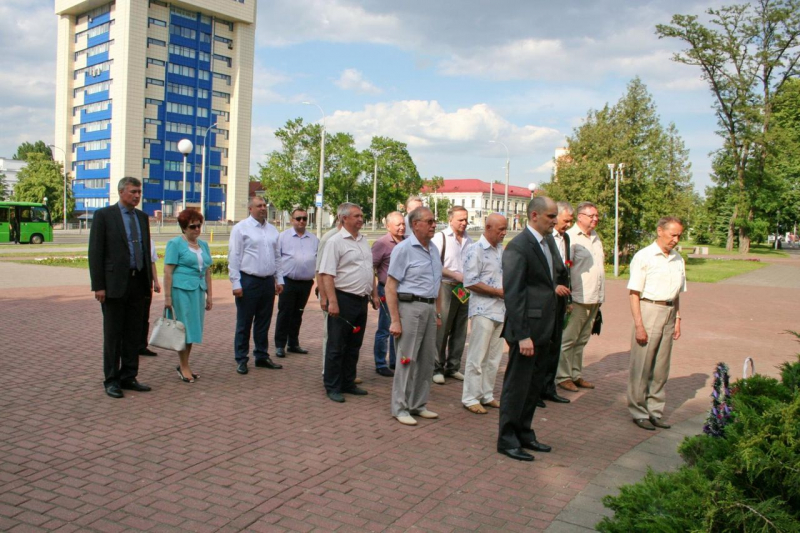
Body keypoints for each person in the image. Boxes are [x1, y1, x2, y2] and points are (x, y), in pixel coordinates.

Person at [497, 197, 567, 461]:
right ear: (535, 215)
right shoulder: (519, 246)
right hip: (526, 331)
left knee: (533, 387)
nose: (555, 221)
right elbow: (514, 294)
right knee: (517, 387)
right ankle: (507, 440)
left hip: (545, 329)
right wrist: (523, 334)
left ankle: (524, 432)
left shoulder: (547, 242)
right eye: (551, 216)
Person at [89, 177, 154, 398]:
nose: (137, 196)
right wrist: (99, 286)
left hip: (137, 283)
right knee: (113, 335)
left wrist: (148, 282)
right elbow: (95, 252)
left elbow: (145, 251)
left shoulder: (142, 217)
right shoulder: (104, 216)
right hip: (114, 285)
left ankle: (129, 376)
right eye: (133, 191)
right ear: (121, 192)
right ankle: (111, 380)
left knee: (133, 334)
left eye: (139, 192)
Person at [627, 217, 686, 431]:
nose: (676, 240)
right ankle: (638, 411)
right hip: (649, 309)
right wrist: (639, 325)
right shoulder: (644, 256)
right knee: (642, 365)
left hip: (669, 311)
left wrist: (677, 319)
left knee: (661, 366)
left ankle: (655, 410)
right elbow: (634, 293)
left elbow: (677, 294)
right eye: (673, 235)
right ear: (660, 231)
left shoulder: (678, 259)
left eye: (679, 236)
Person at [386, 207, 443, 425]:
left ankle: (418, 404)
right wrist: (395, 320)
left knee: (427, 361)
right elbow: (390, 286)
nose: (433, 225)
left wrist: (438, 313)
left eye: (434, 221)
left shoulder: (433, 249)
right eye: (429, 221)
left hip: (429, 308)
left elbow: (437, 283)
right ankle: (400, 408)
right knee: (406, 359)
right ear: (415, 224)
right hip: (410, 308)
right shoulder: (404, 249)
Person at [318, 203, 379, 402]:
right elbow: (327, 274)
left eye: (361, 215)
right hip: (343, 299)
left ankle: (348, 382)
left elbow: (369, 270)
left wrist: (374, 294)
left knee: (354, 345)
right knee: (336, 345)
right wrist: (332, 301)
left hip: (361, 301)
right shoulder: (335, 242)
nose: (361, 219)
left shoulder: (363, 240)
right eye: (356, 216)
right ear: (344, 218)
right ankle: (332, 386)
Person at [228, 196, 284, 375]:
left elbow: (277, 257)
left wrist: (279, 279)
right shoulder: (241, 228)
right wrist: (236, 283)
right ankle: (241, 358)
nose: (263, 208)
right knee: (244, 322)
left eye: (264, 205)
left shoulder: (272, 230)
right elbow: (234, 256)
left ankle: (261, 355)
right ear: (250, 209)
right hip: (248, 280)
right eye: (259, 206)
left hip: (267, 281)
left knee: (263, 321)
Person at [461, 214, 507, 415]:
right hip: (483, 310)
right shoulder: (475, 249)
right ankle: (470, 397)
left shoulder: (501, 250)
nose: (504, 233)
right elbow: (470, 281)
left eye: (505, 229)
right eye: (500, 229)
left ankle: (486, 394)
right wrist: (497, 292)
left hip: (501, 311)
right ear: (488, 227)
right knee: (477, 357)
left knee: (494, 358)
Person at [557, 201, 604, 393]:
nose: (595, 219)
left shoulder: (595, 237)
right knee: (568, 339)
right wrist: (567, 299)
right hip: (578, 297)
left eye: (597, 216)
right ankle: (563, 376)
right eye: (591, 216)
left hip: (595, 297)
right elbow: (565, 269)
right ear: (580, 217)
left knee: (582, 340)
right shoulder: (571, 237)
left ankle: (575, 374)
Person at [163, 210, 213, 383]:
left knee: (193, 328)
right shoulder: (175, 244)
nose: (197, 229)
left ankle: (184, 364)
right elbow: (168, 272)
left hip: (198, 291)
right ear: (184, 228)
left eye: (199, 225)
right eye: (192, 226)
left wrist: (209, 295)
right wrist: (167, 297)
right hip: (181, 291)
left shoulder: (203, 245)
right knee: (183, 329)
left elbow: (207, 271)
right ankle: (184, 366)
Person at [431, 206, 472, 384]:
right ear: (450, 220)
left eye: (466, 219)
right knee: (442, 327)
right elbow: (434, 263)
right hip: (445, 286)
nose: (464, 223)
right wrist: (454, 274)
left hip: (463, 289)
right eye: (460, 219)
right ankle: (436, 367)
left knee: (460, 328)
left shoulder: (469, 240)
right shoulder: (440, 238)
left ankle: (453, 366)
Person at [540, 201, 575, 406]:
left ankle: (548, 388)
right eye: (565, 220)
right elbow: (539, 269)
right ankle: (535, 391)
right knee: (542, 345)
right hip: (546, 297)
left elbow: (566, 269)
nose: (568, 225)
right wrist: (552, 287)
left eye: (570, 221)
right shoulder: (545, 237)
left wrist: (568, 299)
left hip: (561, 298)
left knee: (555, 344)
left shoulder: (566, 238)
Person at [274, 208, 319, 358]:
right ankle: (280, 345)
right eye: (298, 218)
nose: (301, 221)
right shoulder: (283, 237)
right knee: (285, 313)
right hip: (287, 282)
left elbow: (318, 261)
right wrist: (277, 280)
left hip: (305, 283)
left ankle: (293, 343)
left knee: (298, 313)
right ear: (291, 220)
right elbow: (276, 259)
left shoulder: (313, 239)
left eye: (304, 218)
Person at [372, 211, 406, 377]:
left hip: (404, 292)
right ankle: (380, 363)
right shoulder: (382, 244)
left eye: (403, 224)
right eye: (398, 224)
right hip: (386, 290)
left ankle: (394, 360)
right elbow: (370, 267)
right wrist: (374, 294)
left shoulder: (407, 242)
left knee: (399, 327)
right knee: (385, 328)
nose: (402, 227)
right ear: (388, 226)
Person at [139, 239, 161, 357]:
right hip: (132, 282)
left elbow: (152, 263)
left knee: (144, 315)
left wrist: (155, 281)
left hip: (146, 283)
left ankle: (142, 345)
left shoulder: (150, 240)